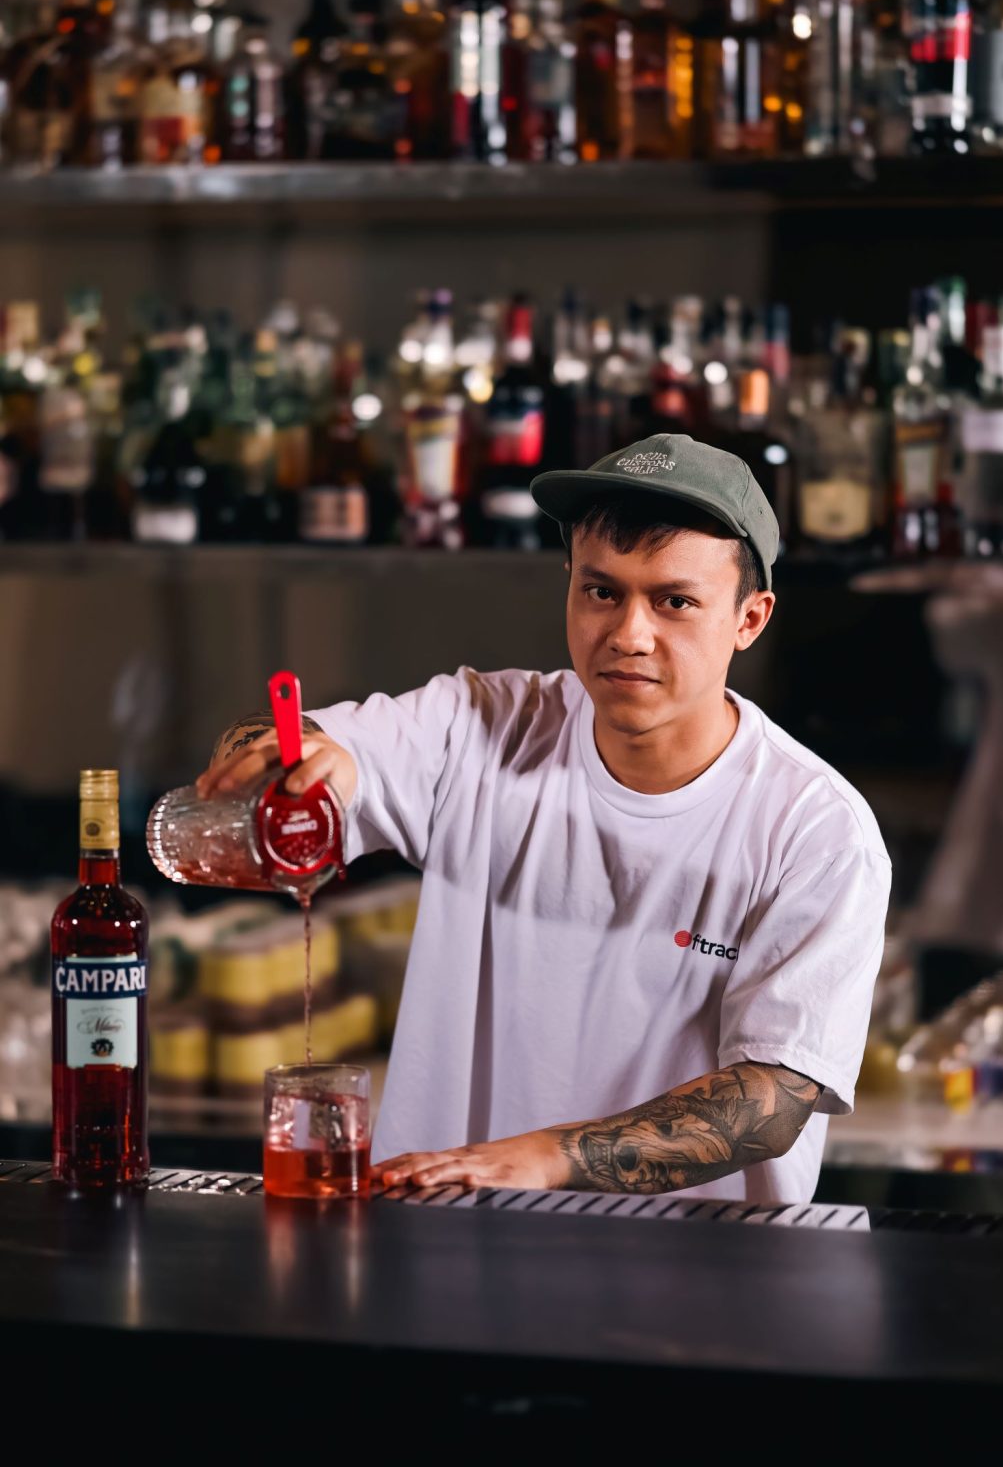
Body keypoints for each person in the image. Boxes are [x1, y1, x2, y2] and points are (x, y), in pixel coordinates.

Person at [198, 433, 891, 1202]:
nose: (628, 634)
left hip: (696, 1272)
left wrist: (540, 1160)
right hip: (444, 1244)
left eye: (674, 602)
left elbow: (771, 1101)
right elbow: (272, 743)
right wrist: (286, 763)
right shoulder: (481, 725)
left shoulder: (815, 830)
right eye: (601, 592)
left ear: (748, 619)